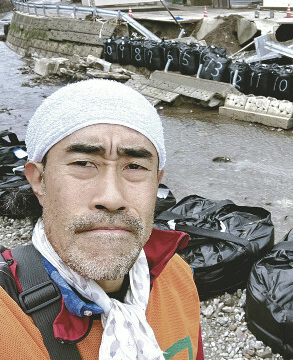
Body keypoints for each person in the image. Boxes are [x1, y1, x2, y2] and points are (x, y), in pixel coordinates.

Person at [0, 79, 204, 360]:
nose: (111, 198)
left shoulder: (177, 276)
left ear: (156, 183)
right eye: (83, 163)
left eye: (134, 166)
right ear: (39, 180)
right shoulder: (7, 319)